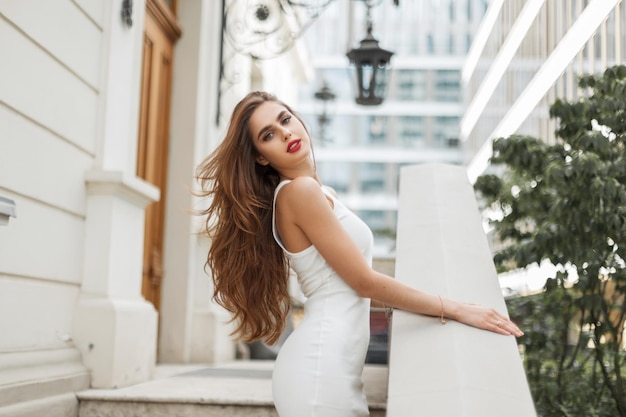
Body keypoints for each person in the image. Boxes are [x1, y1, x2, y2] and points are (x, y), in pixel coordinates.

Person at [196, 91, 523, 417]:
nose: (285, 133)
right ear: (261, 157)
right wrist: (453, 308)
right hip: (320, 371)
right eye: (268, 135)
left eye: (285, 120)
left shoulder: (319, 193)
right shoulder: (300, 192)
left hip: (332, 366)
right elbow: (363, 282)